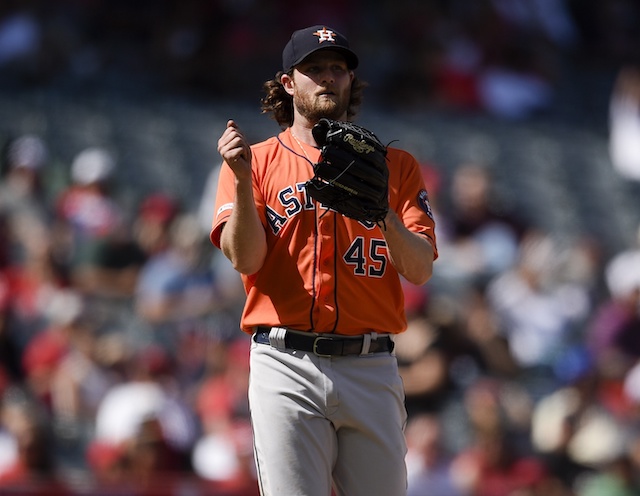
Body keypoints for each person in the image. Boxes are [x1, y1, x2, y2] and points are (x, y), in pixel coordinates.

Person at [210, 24, 438, 496]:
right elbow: (246, 259)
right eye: (313, 69)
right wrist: (239, 179)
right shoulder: (256, 162)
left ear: (351, 81)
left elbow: (419, 269)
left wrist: (386, 217)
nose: (328, 78)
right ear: (288, 83)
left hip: (370, 364)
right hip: (285, 362)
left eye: (338, 68)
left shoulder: (395, 166)